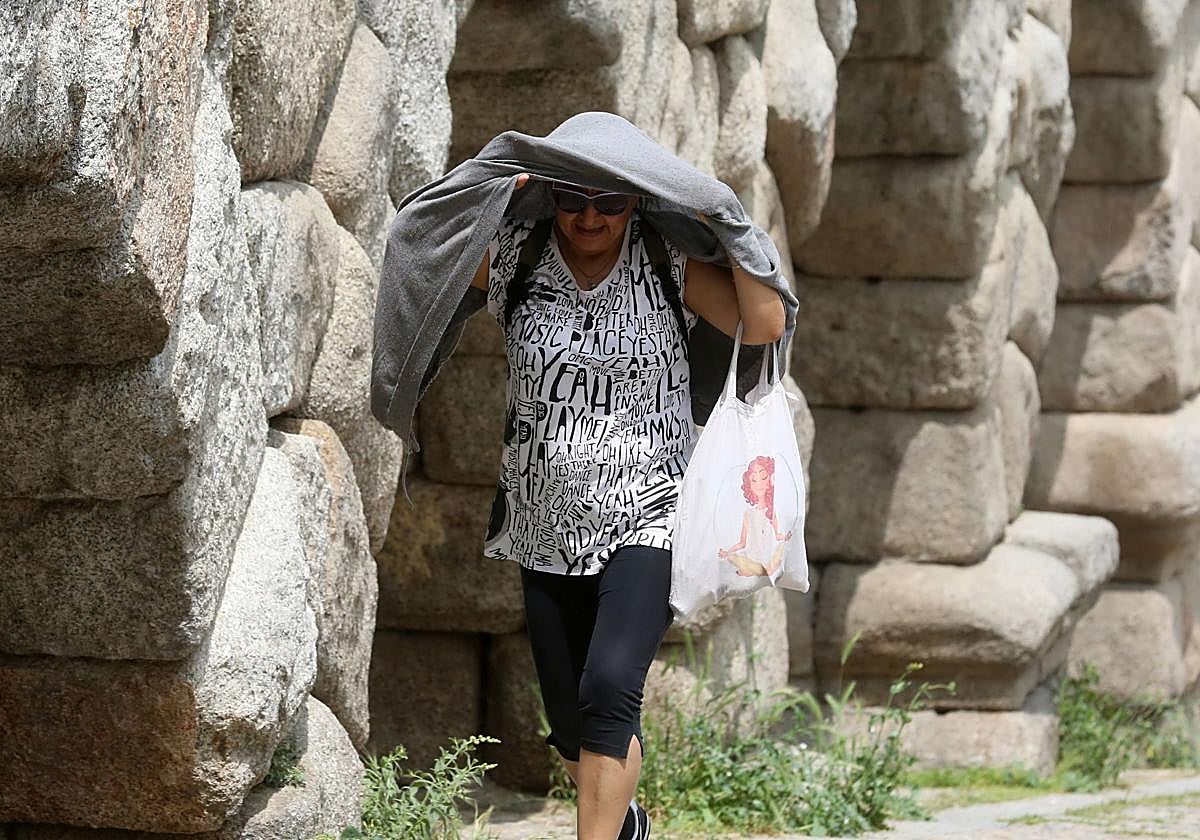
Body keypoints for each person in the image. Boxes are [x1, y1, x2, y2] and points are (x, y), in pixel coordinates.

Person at [466, 172, 785, 840]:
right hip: (543, 520)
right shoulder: (518, 254)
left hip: (650, 511)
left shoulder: (667, 261)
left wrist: (729, 226)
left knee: (610, 687)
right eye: (572, 200)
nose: (590, 217)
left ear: (635, 199)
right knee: (569, 721)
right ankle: (625, 824)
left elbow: (764, 323)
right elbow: (425, 246)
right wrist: (492, 190)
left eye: (609, 201)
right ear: (551, 198)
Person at [717, 455, 793, 577]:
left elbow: (778, 535)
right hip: (753, 558)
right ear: (749, 485)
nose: (759, 484)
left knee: (781, 550)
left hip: (768, 558)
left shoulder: (771, 511)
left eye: (763, 478)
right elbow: (742, 543)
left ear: (770, 481)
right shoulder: (748, 514)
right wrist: (728, 552)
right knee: (733, 558)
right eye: (754, 480)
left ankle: (756, 571)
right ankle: (756, 570)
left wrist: (785, 537)